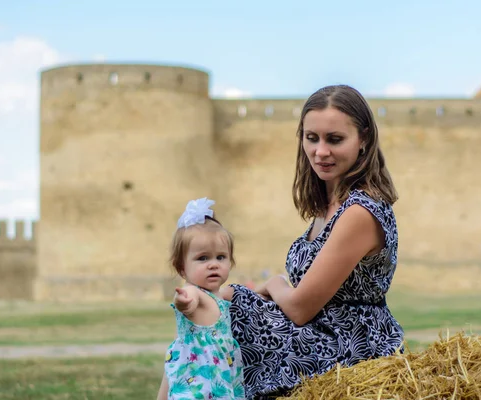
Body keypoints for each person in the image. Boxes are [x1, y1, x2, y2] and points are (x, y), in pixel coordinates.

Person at [223, 85, 405, 399]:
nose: (321, 151)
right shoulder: (329, 205)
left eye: (335, 139)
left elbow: (300, 308)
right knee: (209, 308)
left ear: (363, 139)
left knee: (220, 308)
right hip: (317, 335)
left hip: (345, 346)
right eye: (312, 138)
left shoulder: (360, 212)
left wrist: (275, 283)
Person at [157, 198, 245, 400]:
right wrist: (184, 302)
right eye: (203, 258)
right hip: (199, 384)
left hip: (221, 377)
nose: (213, 264)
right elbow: (190, 300)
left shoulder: (219, 295)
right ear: (181, 268)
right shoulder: (195, 293)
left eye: (220, 257)